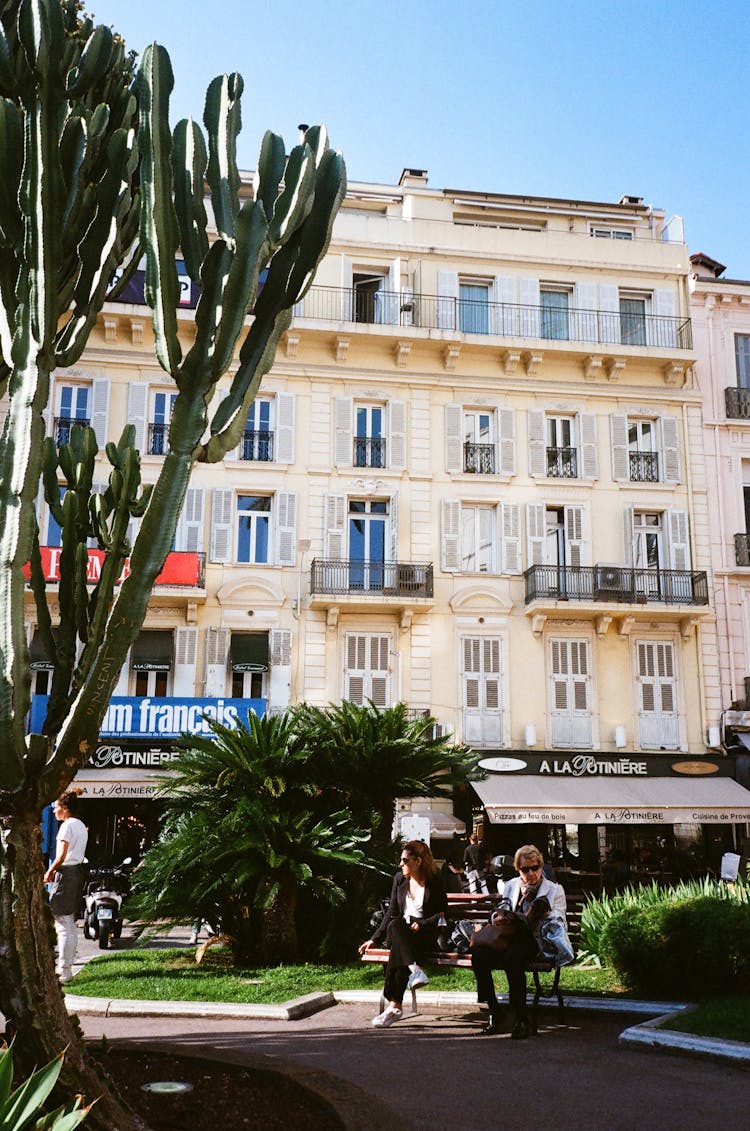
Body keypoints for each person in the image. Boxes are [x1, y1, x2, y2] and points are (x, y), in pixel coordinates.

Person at [470, 843, 570, 1040]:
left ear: (541, 867)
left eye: (535, 868)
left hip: (534, 940)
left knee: (513, 959)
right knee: (479, 956)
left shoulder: (554, 890)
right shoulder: (511, 885)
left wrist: (546, 914)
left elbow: (560, 923)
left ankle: (521, 1018)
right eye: (525, 869)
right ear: (518, 869)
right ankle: (495, 1011)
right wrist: (498, 918)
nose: (531, 873)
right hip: (506, 937)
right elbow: (500, 909)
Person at [359, 840, 447, 1028]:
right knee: (396, 925)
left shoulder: (435, 881)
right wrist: (374, 939)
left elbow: (441, 915)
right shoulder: (399, 879)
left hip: (423, 935)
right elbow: (391, 911)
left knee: (399, 949)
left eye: (405, 860)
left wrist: (421, 923)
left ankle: (394, 1007)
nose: (401, 864)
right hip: (399, 930)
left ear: (418, 861)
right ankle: (415, 970)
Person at [44, 790, 88, 984]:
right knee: (69, 923)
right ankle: (68, 965)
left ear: (65, 809)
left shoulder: (66, 827)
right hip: (76, 871)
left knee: (62, 923)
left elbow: (61, 855)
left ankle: (65, 969)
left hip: (65, 873)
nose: (54, 812)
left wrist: (50, 871)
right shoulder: (79, 825)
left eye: (56, 808)